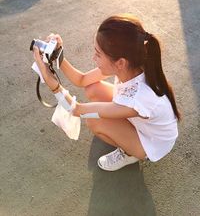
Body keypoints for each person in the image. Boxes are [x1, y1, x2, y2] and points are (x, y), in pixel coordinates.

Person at [33, 13, 180, 172]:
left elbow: (76, 110)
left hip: (151, 142)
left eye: (98, 54)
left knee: (94, 121)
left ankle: (131, 153)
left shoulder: (139, 98)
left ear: (120, 63)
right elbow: (82, 80)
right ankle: (123, 135)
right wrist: (57, 54)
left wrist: (50, 80)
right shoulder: (130, 65)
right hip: (140, 118)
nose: (93, 58)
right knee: (92, 88)